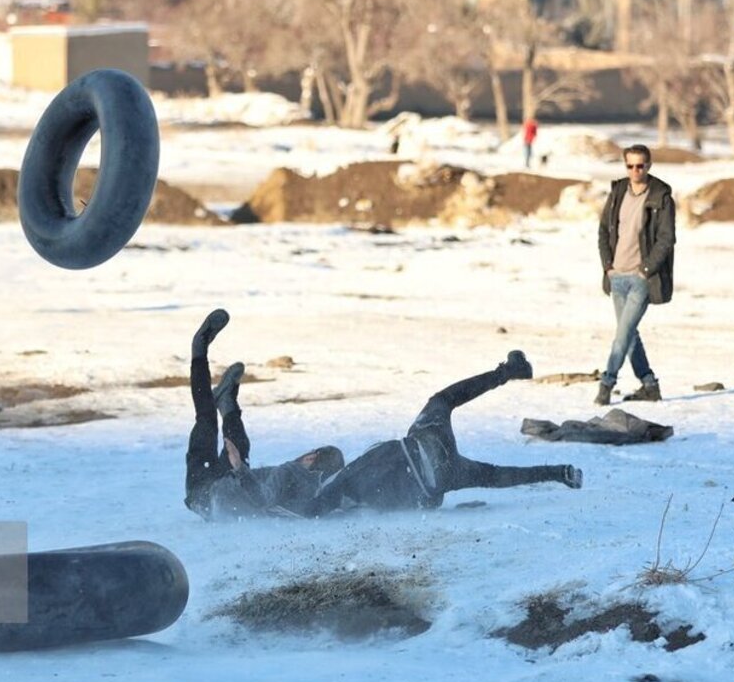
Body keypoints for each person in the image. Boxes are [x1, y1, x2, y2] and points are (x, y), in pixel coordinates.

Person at [183, 310, 582, 521]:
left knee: (233, 440)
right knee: (213, 427)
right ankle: (202, 351)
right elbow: (272, 501)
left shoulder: (313, 481)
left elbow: (274, 501)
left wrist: (240, 470)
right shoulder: (309, 480)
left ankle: (227, 400)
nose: (309, 457)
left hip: (422, 465)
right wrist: (238, 470)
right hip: (212, 492)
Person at [595, 144, 676, 406]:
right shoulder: (618, 192)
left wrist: (645, 270)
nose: (635, 171)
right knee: (628, 333)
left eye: (640, 165)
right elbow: (604, 231)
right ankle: (649, 385)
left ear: (649, 166)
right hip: (617, 276)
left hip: (641, 279)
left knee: (623, 335)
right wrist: (608, 266)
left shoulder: (661, 197)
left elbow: (666, 238)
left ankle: (607, 383)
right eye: (630, 166)